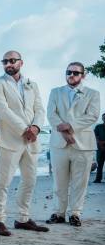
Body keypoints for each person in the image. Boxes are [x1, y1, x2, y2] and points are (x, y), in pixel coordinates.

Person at [0, 50, 49, 236]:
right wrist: (25, 129)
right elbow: (3, 109)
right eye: (5, 61)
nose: (8, 64)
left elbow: (39, 108)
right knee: (3, 181)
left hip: (32, 140)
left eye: (12, 61)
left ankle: (23, 218)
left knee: (30, 180)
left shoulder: (33, 84)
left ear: (20, 63)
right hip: (10, 139)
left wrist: (36, 128)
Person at [46, 62, 100, 226]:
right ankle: (59, 212)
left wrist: (70, 126)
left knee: (80, 182)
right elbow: (51, 114)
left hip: (83, 144)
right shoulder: (55, 92)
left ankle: (75, 213)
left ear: (83, 75)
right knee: (59, 181)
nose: (71, 75)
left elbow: (92, 116)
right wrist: (63, 132)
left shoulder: (93, 94)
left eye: (76, 73)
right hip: (59, 143)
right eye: (69, 72)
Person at [93, 113, 105, 183]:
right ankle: (98, 179)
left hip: (102, 145)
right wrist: (100, 143)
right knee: (100, 164)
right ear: (102, 118)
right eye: (104, 117)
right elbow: (95, 135)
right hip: (100, 149)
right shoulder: (98, 127)